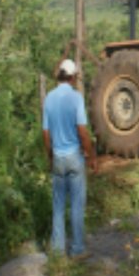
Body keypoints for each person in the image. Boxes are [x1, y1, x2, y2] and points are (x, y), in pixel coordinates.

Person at [42, 59, 97, 258]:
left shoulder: (48, 97)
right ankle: (77, 250)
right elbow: (82, 131)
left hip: (57, 156)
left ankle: (56, 252)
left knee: (58, 206)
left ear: (59, 76)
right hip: (74, 157)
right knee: (76, 205)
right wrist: (91, 156)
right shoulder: (76, 98)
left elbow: (46, 134)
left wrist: (50, 156)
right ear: (73, 77)